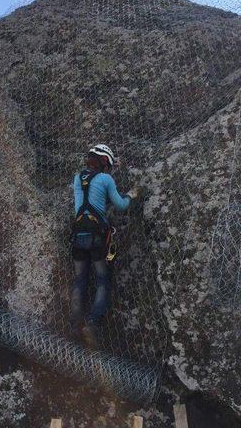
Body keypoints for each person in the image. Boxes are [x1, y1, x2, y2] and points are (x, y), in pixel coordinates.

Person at [70, 143, 140, 349]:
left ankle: (74, 325)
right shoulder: (106, 179)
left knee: (80, 280)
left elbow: (89, 201)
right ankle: (92, 324)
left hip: (78, 235)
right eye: (108, 164)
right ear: (104, 162)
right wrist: (131, 195)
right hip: (97, 237)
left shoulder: (77, 178)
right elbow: (120, 205)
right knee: (102, 280)